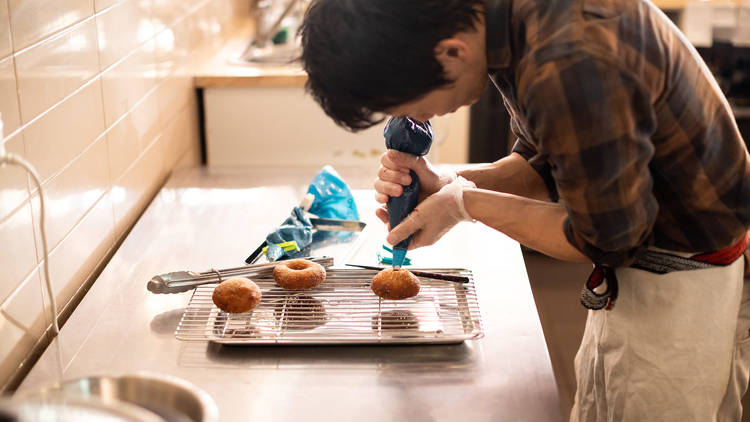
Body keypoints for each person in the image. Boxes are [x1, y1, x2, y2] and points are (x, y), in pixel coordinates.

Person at [299, 0, 750, 420]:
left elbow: (608, 239)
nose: (422, 118)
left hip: (681, 279)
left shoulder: (570, 60)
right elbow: (547, 162)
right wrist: (452, 185)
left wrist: (464, 203)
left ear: (451, 52)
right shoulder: (506, 23)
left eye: (414, 108)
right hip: (647, 260)